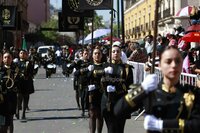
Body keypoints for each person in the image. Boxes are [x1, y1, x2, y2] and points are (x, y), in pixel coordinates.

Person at [114, 45, 200, 133]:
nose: (173, 65)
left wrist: (162, 125)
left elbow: (197, 124)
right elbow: (118, 110)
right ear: (160, 65)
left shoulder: (191, 93)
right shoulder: (151, 92)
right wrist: (142, 89)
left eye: (177, 61)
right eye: (168, 61)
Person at [101, 43, 133, 133]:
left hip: (121, 101)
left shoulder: (126, 68)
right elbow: (99, 81)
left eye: (118, 52)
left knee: (119, 129)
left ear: (121, 53)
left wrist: (118, 87)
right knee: (111, 129)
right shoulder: (105, 66)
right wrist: (104, 75)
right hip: (107, 101)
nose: (116, 53)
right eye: (113, 52)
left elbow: (129, 85)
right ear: (110, 54)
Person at [0, 52, 19, 133]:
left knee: (9, 120)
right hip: (2, 99)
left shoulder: (15, 70)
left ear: (12, 58)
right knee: (2, 123)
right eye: (5, 57)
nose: (7, 59)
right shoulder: (1, 70)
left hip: (10, 98)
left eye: (9, 57)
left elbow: (18, 84)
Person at [87, 47, 104, 133]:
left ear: (101, 55)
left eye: (99, 53)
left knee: (100, 115)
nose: (97, 55)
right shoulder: (89, 65)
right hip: (92, 93)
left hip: (101, 92)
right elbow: (84, 77)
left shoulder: (105, 65)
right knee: (92, 114)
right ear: (92, 55)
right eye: (95, 53)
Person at [15, 50, 34, 120]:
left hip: (26, 82)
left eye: (24, 53)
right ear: (19, 54)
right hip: (19, 83)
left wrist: (27, 75)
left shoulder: (29, 62)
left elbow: (32, 72)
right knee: (18, 97)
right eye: (21, 53)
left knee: (25, 98)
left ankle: (23, 113)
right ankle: (17, 110)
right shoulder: (16, 63)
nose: (22, 55)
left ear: (26, 55)